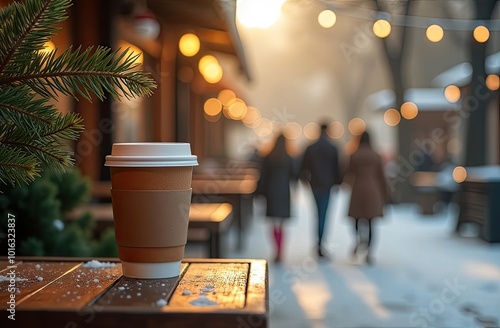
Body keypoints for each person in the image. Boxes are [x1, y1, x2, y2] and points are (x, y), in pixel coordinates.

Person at [343, 131, 390, 265]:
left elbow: (348, 172)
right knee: (371, 222)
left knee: (356, 218)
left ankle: (359, 238)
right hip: (373, 190)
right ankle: (369, 251)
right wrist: (386, 193)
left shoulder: (354, 155)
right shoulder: (376, 156)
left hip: (358, 189)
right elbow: (381, 175)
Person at [300, 123, 341, 259]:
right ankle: (321, 243)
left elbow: (303, 167)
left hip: (315, 184)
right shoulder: (333, 148)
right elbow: (337, 168)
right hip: (327, 185)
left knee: (317, 213)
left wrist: (307, 181)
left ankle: (318, 243)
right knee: (324, 214)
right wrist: (337, 183)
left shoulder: (311, 148)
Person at [256, 134, 296, 263]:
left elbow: (263, 176)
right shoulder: (288, 158)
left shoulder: (269, 157)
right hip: (284, 191)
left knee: (273, 223)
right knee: (282, 224)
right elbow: (294, 175)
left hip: (271, 191)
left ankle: (276, 249)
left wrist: (259, 193)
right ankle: (280, 250)